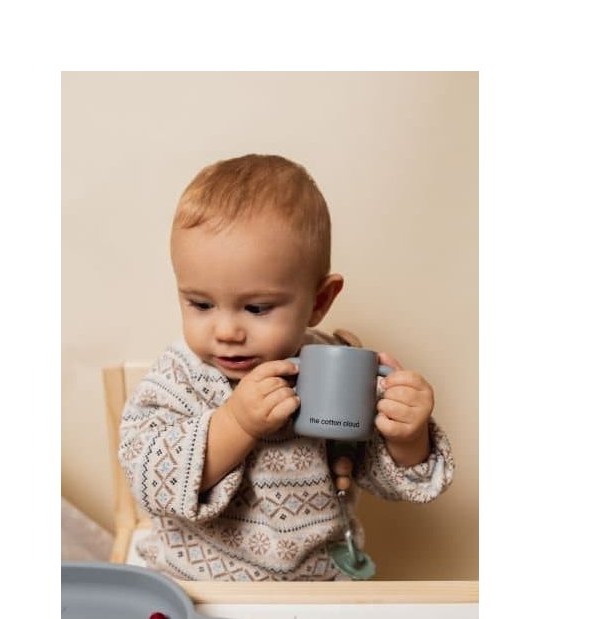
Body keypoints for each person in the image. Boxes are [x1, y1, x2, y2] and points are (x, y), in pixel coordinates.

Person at [118, 154, 454, 581]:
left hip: (319, 585)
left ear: (319, 301)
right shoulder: (178, 377)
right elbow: (150, 478)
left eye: (257, 308)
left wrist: (407, 437)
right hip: (202, 585)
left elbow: (384, 477)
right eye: (201, 304)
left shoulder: (334, 366)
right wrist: (236, 422)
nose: (226, 331)